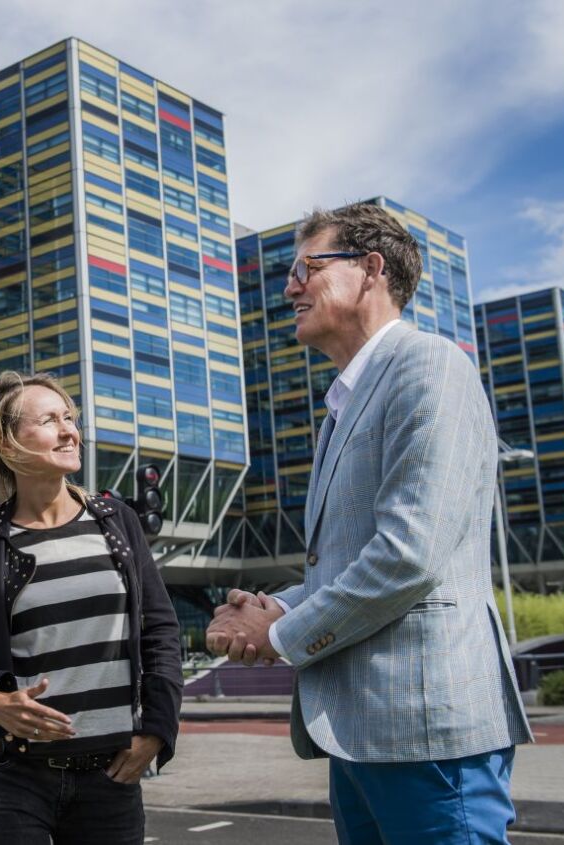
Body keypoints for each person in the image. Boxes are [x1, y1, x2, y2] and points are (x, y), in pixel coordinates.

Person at [206, 203, 532, 844]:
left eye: (307, 267)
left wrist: (279, 631)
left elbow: (409, 555)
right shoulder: (342, 407)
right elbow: (347, 559)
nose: (290, 286)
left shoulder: (430, 367)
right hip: (359, 733)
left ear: (371, 270)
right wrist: (269, 604)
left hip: (425, 732)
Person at [0, 372, 182, 845]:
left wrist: (158, 729)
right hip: (7, 780)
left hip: (110, 780)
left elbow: (161, 633)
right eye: (49, 420)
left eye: (69, 418)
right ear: (8, 445)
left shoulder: (117, 522)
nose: (69, 431)